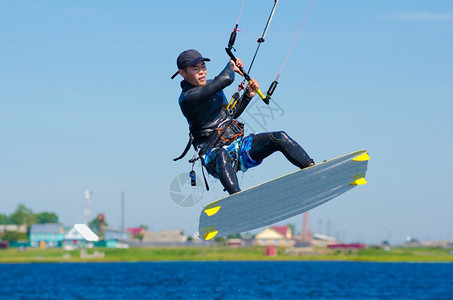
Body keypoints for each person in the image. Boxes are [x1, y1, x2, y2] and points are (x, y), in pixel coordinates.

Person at [173, 49, 314, 195]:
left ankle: (311, 169)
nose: (202, 72)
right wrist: (230, 65)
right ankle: (238, 198)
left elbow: (229, 115)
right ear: (182, 73)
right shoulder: (187, 98)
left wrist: (247, 96)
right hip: (213, 155)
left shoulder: (212, 85)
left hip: (237, 147)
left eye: (203, 67)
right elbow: (227, 78)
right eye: (196, 69)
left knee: (279, 137)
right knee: (222, 154)